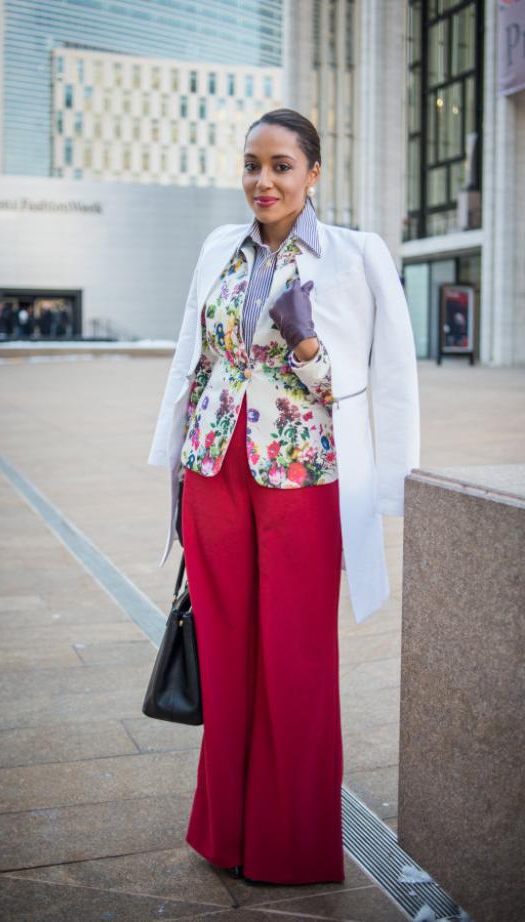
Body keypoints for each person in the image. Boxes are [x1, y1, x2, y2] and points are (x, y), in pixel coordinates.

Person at [147, 108, 420, 886]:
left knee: (295, 662)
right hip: (214, 472)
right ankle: (225, 835)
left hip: (305, 479)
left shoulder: (354, 257)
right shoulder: (218, 248)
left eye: (280, 166)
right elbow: (194, 358)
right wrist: (175, 465)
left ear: (313, 173)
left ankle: (290, 845)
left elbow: (382, 378)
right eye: (251, 165)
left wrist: (305, 345)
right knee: (226, 657)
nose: (262, 181)